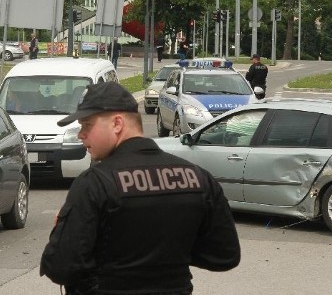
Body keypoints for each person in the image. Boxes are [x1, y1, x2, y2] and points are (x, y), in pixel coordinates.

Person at [40, 82, 240, 294]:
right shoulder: (198, 177)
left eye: (87, 125)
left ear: (117, 124)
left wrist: (61, 230)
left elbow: (61, 267)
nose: (81, 134)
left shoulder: (95, 182)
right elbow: (224, 255)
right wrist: (170, 255)